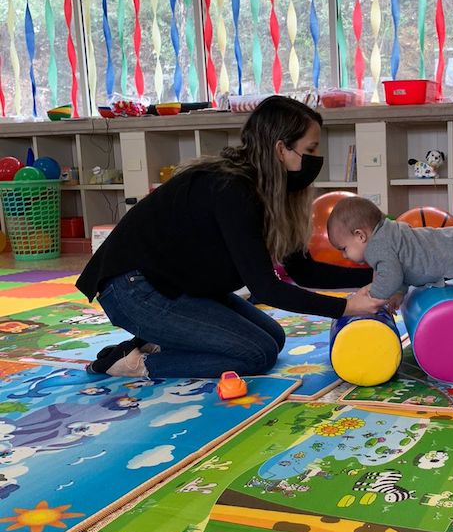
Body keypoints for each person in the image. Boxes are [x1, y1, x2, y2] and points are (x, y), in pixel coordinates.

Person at [77, 96, 383, 379]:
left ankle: (152, 341)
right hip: (133, 289)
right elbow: (266, 288)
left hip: (177, 285)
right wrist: (346, 308)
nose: (317, 158)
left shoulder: (270, 191)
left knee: (273, 338)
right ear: (281, 149)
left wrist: (377, 274)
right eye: (312, 148)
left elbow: (303, 270)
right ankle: (134, 364)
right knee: (255, 354)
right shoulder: (232, 190)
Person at [326, 196, 453, 304]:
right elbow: (402, 265)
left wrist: (372, 297)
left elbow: (391, 274)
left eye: (344, 248)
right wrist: (399, 293)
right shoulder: (390, 231)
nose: (345, 255)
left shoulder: (375, 247)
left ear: (360, 235)